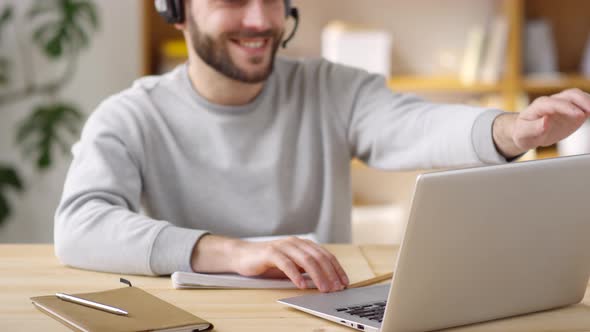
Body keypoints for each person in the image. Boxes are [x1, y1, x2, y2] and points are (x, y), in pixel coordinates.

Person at [54, 0, 590, 293]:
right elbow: (80, 225)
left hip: (315, 314)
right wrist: (235, 252)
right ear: (177, 8)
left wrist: (511, 130)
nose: (261, 20)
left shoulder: (330, 88)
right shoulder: (132, 114)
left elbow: (411, 123)